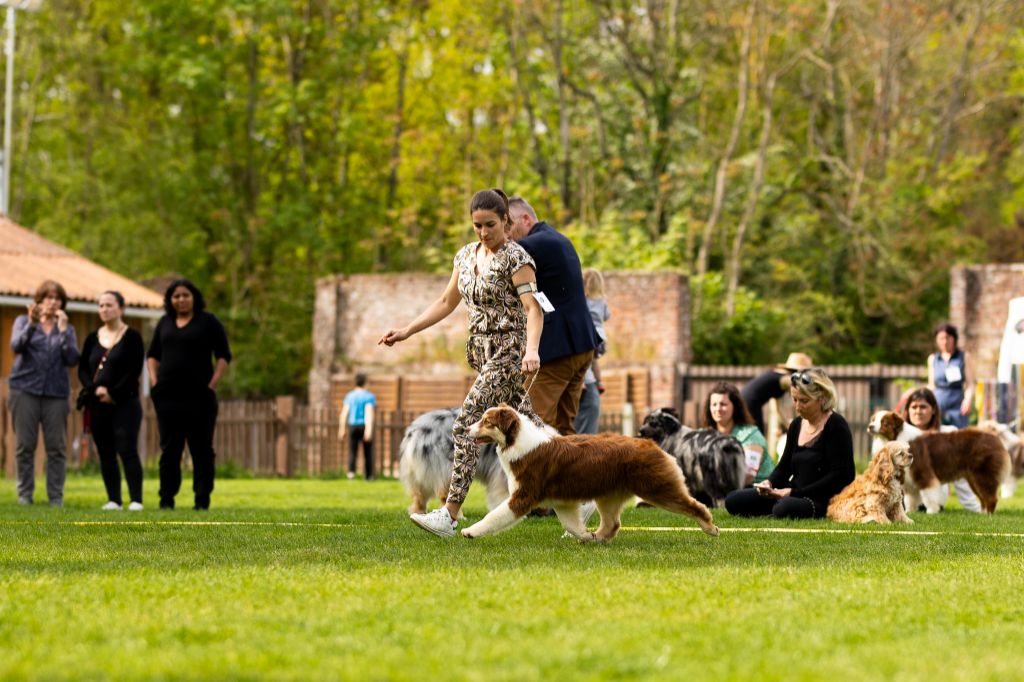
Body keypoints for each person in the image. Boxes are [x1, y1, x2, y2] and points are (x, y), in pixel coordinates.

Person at [380, 188, 545, 538]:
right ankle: (583, 492)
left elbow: (534, 309)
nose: (484, 233)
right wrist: (407, 331)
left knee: (466, 425)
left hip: (508, 352)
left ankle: (449, 514)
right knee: (533, 429)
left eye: (490, 225)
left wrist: (532, 351)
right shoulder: (465, 257)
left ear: (506, 221)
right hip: (481, 354)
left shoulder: (518, 258)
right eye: (477, 226)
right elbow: (445, 302)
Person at [507, 196, 598, 435]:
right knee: (563, 427)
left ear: (526, 219)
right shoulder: (559, 239)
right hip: (583, 345)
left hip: (558, 350)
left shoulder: (531, 245)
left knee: (530, 426)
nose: (506, 234)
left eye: (509, 225)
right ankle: (571, 474)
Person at [147, 279, 231, 511]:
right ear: (170, 300)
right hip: (167, 398)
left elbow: (223, 354)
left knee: (202, 450)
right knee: (170, 450)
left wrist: (212, 383)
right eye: (176, 296)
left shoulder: (208, 322)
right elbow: (152, 355)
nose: (181, 300)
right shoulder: (164, 323)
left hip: (200, 398)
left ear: (194, 297)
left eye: (185, 295)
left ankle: (201, 501)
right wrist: (155, 382)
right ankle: (166, 500)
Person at [725, 367, 854, 519]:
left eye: (804, 401)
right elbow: (784, 466)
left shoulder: (837, 426)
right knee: (733, 500)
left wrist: (793, 493)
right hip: (792, 492)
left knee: (784, 507)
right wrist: (769, 483)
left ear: (822, 398)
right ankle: (776, 508)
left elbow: (841, 477)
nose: (797, 406)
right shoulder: (796, 425)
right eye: (794, 399)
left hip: (821, 498)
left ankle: (777, 510)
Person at [8, 280, 80, 506]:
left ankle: (55, 496)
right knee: (25, 445)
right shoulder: (23, 321)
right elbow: (16, 346)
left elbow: (72, 359)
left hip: (56, 394)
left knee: (56, 447)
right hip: (25, 390)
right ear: (39, 301)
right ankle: (25, 495)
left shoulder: (67, 328)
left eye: (57, 298)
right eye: (48, 297)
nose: (53, 302)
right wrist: (31, 323)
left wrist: (63, 333)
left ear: (62, 303)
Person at [78, 291, 146, 511]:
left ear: (121, 308)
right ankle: (114, 500)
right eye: (101, 306)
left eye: (109, 305)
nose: (104, 309)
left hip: (125, 402)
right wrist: (94, 389)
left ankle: (136, 499)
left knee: (127, 448)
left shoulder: (132, 337)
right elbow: (83, 370)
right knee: (105, 451)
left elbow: (134, 370)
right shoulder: (92, 338)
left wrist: (113, 393)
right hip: (97, 404)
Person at [900, 386, 982, 513]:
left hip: (935, 500)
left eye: (923, 407)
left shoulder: (948, 433)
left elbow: (960, 474)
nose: (918, 411)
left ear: (933, 410)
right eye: (914, 407)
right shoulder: (900, 438)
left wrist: (974, 508)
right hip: (904, 501)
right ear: (907, 410)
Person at [702, 381, 773, 485]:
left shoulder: (750, 435)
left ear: (735, 407)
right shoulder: (704, 436)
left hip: (756, 490)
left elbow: (749, 474)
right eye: (714, 404)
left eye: (723, 404)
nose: (718, 409)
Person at [740, 351, 813, 436]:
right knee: (757, 435)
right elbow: (793, 383)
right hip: (750, 403)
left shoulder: (775, 374)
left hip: (743, 400)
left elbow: (778, 408)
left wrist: (788, 425)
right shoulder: (784, 377)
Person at [573, 268, 610, 435]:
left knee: (588, 358)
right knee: (592, 359)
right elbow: (607, 316)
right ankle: (599, 381)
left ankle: (591, 380)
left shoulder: (581, 300)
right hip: (599, 335)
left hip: (589, 333)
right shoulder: (601, 300)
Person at [927, 322, 973, 428]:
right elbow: (931, 385)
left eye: (947, 338)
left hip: (957, 404)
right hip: (938, 404)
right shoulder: (933, 359)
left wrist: (967, 401)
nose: (944, 342)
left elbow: (970, 384)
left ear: (954, 338)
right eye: (941, 338)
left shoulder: (964, 357)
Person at [339, 373, 376, 480]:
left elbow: (344, 413)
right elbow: (368, 413)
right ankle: (369, 476)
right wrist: (368, 430)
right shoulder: (369, 396)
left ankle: (351, 474)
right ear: (365, 382)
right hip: (363, 425)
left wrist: (341, 429)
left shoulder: (350, 396)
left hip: (352, 426)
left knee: (352, 451)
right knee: (367, 452)